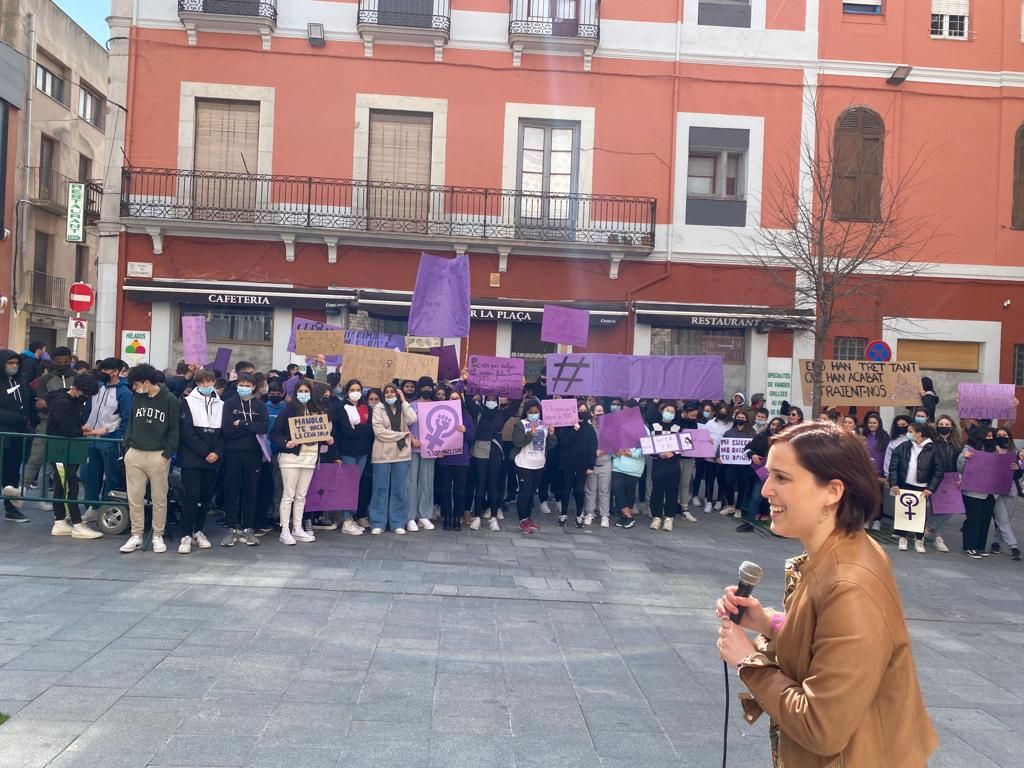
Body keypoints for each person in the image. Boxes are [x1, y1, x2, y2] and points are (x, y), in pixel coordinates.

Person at [715, 420, 937, 768]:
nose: (765, 490)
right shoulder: (839, 552)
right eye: (769, 475)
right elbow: (829, 642)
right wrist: (767, 621)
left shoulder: (850, 584)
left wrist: (749, 662)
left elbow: (822, 727)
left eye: (783, 478)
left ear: (833, 491)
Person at [120, 364, 180, 554]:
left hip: (158, 454)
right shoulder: (138, 397)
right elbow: (131, 421)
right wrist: (127, 446)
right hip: (135, 452)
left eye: (137, 384)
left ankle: (157, 534)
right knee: (135, 496)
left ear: (147, 382)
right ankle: (136, 534)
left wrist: (167, 453)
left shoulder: (169, 399)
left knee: (159, 497)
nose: (135, 388)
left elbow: (174, 429)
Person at [271, 380, 335, 545]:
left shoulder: (317, 412)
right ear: (295, 393)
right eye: (301, 391)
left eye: (307, 391)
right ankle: (285, 529)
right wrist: (286, 442)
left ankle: (297, 528)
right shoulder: (288, 411)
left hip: (310, 458)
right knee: (288, 495)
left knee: (301, 495)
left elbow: (321, 432)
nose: (304, 394)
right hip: (291, 459)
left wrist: (327, 439)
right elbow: (275, 434)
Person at [47, 372, 102, 540]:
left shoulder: (70, 400)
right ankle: (76, 524)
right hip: (61, 449)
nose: (86, 397)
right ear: (78, 389)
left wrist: (80, 428)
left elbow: (69, 425)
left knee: (64, 485)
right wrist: (91, 432)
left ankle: (60, 521)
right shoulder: (63, 403)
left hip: (64, 448)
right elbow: (67, 429)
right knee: (69, 485)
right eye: (85, 394)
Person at [220, 372, 269, 547]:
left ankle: (248, 527)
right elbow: (227, 430)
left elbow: (263, 428)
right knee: (232, 490)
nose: (244, 388)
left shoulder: (260, 405)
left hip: (254, 454)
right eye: (241, 384)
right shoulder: (229, 404)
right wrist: (250, 428)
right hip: (233, 453)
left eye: (248, 385)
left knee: (251, 491)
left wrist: (241, 424)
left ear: (254, 387)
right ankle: (232, 527)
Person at [176, 369, 223, 554]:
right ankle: (186, 534)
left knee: (205, 497)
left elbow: (224, 433)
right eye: (202, 382)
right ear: (197, 383)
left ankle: (199, 530)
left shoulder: (221, 404)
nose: (206, 385)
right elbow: (187, 432)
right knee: (191, 495)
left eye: (209, 382)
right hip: (193, 458)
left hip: (213, 458)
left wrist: (217, 453)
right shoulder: (187, 402)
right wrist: (205, 452)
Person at [81, 357, 132, 517]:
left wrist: (117, 437)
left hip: (110, 441)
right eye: (101, 370)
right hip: (90, 437)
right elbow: (88, 409)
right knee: (89, 474)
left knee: (112, 477)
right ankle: (92, 506)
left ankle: (107, 507)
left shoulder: (124, 392)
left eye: (106, 370)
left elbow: (126, 418)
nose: (102, 373)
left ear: (116, 372)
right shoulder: (97, 387)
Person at [369, 384, 417, 535]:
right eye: (387, 392)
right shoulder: (379, 408)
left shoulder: (403, 408)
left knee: (399, 489)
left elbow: (413, 418)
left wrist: (403, 400)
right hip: (382, 454)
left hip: (402, 454)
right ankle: (378, 522)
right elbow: (379, 432)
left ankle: (398, 522)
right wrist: (400, 435)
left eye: (392, 392)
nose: (389, 395)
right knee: (380, 488)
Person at [888, 422, 943, 553]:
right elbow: (894, 467)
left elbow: (938, 471)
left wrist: (931, 488)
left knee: (920, 514)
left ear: (919, 434)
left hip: (922, 487)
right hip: (904, 485)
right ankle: (903, 537)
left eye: (911, 431)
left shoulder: (933, 449)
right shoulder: (903, 447)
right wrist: (894, 483)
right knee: (903, 512)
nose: (908, 434)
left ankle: (919, 539)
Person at [466, 392, 515, 531]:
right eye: (489, 399)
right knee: (480, 485)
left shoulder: (501, 414)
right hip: (480, 450)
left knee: (493, 485)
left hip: (495, 451)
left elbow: (514, 405)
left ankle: (493, 517)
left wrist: (517, 387)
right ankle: (477, 517)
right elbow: (468, 399)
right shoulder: (478, 411)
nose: (491, 401)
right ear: (484, 400)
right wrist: (466, 382)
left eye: (494, 399)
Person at [512, 399, 556, 534]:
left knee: (531, 492)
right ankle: (522, 521)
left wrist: (552, 435)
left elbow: (550, 444)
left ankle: (528, 517)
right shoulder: (521, 424)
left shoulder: (544, 424)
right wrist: (529, 435)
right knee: (524, 492)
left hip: (539, 463)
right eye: (531, 412)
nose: (534, 414)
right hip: (524, 463)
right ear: (526, 412)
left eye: (536, 412)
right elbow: (518, 442)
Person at [335, 379, 372, 535]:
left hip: (362, 452)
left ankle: (351, 517)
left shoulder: (366, 408)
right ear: (347, 391)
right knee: (348, 484)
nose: (355, 392)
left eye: (358, 389)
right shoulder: (341, 408)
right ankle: (346, 519)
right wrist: (361, 430)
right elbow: (346, 431)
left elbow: (371, 429)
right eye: (352, 389)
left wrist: (358, 428)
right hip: (347, 452)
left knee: (356, 484)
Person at [0, 350, 33, 523]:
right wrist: (17, 418)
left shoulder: (22, 381)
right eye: (10, 363)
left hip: (19, 434)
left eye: (16, 363)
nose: (13, 366)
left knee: (12, 473)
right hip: (3, 432)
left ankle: (11, 509)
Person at [737, 416, 785, 532]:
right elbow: (748, 448)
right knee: (755, 497)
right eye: (773, 424)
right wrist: (752, 455)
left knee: (780, 501)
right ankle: (750, 523)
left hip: (780, 475)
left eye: (778, 425)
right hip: (762, 473)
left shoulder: (786, 440)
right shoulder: (762, 436)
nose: (774, 427)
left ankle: (779, 528)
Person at [435, 388, 474, 531]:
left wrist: (465, 431)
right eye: (452, 398)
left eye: (457, 398)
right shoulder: (441, 414)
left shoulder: (467, 416)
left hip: (461, 459)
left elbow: (472, 438)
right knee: (445, 489)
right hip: (445, 458)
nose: (454, 400)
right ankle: (447, 517)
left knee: (459, 489)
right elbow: (435, 433)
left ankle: (457, 517)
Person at [556, 400, 597, 528]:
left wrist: (591, 466)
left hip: (582, 465)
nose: (582, 413)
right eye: (580, 410)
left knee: (579, 490)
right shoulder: (567, 425)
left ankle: (579, 515)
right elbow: (564, 442)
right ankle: (563, 514)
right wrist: (574, 430)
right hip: (567, 463)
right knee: (566, 489)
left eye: (585, 411)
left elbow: (592, 447)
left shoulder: (589, 428)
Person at [958, 425, 997, 559]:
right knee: (974, 518)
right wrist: (965, 458)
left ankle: (980, 546)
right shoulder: (969, 449)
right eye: (987, 436)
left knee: (985, 519)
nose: (990, 439)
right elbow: (960, 467)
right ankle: (969, 546)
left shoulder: (994, 450)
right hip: (972, 491)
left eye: (992, 436)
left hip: (989, 491)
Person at [927, 413, 960, 553]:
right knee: (936, 508)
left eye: (947, 425)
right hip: (935, 478)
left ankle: (927, 527)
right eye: (941, 425)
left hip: (951, 480)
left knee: (951, 509)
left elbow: (960, 463)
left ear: (952, 426)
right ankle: (938, 539)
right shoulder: (932, 442)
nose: (944, 427)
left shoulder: (957, 444)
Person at [647, 401, 682, 531]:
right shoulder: (654, 426)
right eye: (668, 411)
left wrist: (672, 453)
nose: (670, 414)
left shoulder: (678, 428)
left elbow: (682, 446)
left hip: (673, 463)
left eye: (672, 412)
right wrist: (658, 453)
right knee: (657, 490)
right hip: (659, 463)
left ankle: (669, 518)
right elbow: (649, 445)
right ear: (662, 411)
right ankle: (656, 517)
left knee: (672, 491)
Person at [989, 425, 1022, 560]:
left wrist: (1018, 467)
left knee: (1006, 517)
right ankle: (1013, 546)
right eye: (999, 435)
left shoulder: (1015, 452)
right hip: (994, 487)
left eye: (1005, 435)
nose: (1002, 437)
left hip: (1011, 487)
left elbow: (1019, 474)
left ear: (1009, 436)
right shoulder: (990, 450)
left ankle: (996, 543)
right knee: (1001, 517)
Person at [719, 409, 754, 519]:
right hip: (731, 465)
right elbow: (722, 446)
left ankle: (738, 508)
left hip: (745, 466)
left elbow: (755, 448)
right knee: (728, 483)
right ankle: (730, 505)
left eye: (743, 418)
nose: (740, 419)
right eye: (738, 417)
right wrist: (718, 456)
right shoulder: (729, 432)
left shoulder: (751, 433)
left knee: (742, 486)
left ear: (747, 420)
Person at [858, 411, 889, 531]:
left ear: (879, 424)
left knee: (878, 497)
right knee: (865, 496)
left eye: (874, 423)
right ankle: (866, 518)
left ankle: (877, 520)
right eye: (870, 422)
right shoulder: (863, 435)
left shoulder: (884, 437)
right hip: (865, 471)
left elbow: (887, 455)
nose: (872, 425)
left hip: (879, 472)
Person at [583, 403, 612, 527]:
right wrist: (593, 452)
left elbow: (615, 443)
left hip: (606, 462)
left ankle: (605, 515)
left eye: (602, 411)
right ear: (592, 413)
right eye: (598, 411)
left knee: (604, 490)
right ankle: (589, 513)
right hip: (591, 463)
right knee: (590, 490)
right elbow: (582, 445)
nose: (600, 413)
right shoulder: (587, 427)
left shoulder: (609, 427)